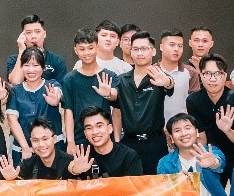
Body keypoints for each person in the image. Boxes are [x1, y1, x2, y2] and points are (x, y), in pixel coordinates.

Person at [185, 55, 234, 184]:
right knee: (211, 194)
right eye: (207, 74)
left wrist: (228, 130)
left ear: (225, 76)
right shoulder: (193, 101)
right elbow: (202, 138)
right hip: (213, 157)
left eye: (218, 74)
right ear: (201, 76)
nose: (212, 78)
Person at [115, 33, 174, 172]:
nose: (140, 53)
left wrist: (167, 82)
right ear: (131, 51)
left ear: (153, 51)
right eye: (136, 49)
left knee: (156, 184)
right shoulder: (121, 80)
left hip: (154, 143)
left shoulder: (159, 76)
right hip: (128, 143)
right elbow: (117, 112)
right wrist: (117, 142)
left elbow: (170, 84)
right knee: (129, 184)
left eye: (144, 49)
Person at [6, 47, 65, 160]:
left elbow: (57, 95)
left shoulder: (52, 85)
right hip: (24, 150)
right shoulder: (16, 91)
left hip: (53, 148)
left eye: (36, 65)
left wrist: (55, 100)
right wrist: (25, 147)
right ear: (21, 67)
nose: (31, 70)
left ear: (43, 68)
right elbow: (12, 120)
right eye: (27, 65)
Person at [60, 28, 114, 146]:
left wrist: (109, 93)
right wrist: (70, 141)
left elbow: (116, 97)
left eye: (90, 48)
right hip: (79, 139)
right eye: (82, 49)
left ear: (97, 47)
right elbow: (68, 111)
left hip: (105, 138)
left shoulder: (109, 76)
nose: (86, 53)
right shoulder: (69, 79)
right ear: (75, 50)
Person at [67, 107, 144, 179]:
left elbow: (135, 186)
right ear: (85, 134)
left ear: (110, 128)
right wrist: (75, 171)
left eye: (99, 126)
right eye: (89, 128)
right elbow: (68, 171)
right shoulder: (82, 154)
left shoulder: (128, 156)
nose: (95, 132)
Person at [12, 15, 68, 80]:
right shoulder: (14, 60)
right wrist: (21, 51)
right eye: (28, 32)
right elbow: (15, 82)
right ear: (22, 36)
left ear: (44, 34)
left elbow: (60, 85)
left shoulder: (57, 61)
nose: (33, 36)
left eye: (37, 31)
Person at [158, 29, 194, 118]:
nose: (176, 49)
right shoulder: (152, 71)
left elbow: (195, 104)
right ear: (161, 47)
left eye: (180, 46)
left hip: (182, 124)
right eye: (172, 45)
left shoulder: (191, 72)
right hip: (156, 125)